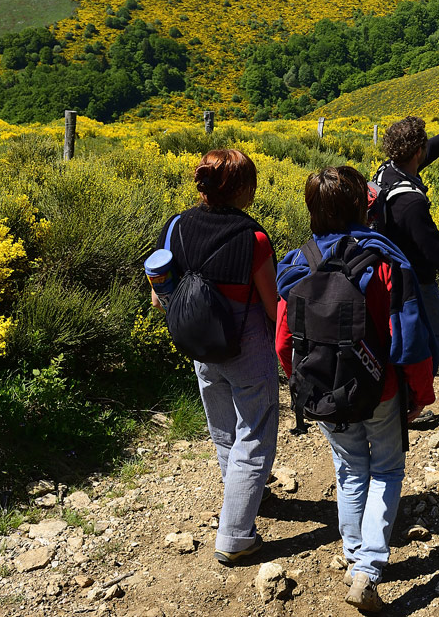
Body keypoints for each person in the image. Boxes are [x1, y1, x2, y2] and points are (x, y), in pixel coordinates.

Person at [275, 166, 435, 613]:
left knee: (348, 469)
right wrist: (420, 392)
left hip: (324, 391)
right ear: (362, 204)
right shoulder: (385, 259)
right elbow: (408, 339)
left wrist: (303, 379)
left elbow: (284, 340)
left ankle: (352, 553)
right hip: (379, 388)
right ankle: (367, 567)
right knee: (385, 469)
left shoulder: (298, 262)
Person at [152, 149, 279, 566]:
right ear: (240, 188)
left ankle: (241, 499)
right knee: (255, 432)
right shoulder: (254, 238)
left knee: (223, 428)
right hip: (247, 345)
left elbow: (159, 296)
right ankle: (235, 535)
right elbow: (270, 304)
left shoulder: (175, 227)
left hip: (199, 344)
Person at [372, 115, 439, 359]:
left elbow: (430, 148)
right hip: (415, 281)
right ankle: (416, 391)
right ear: (416, 153)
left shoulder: (387, 170)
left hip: (385, 272)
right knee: (432, 338)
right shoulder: (411, 203)